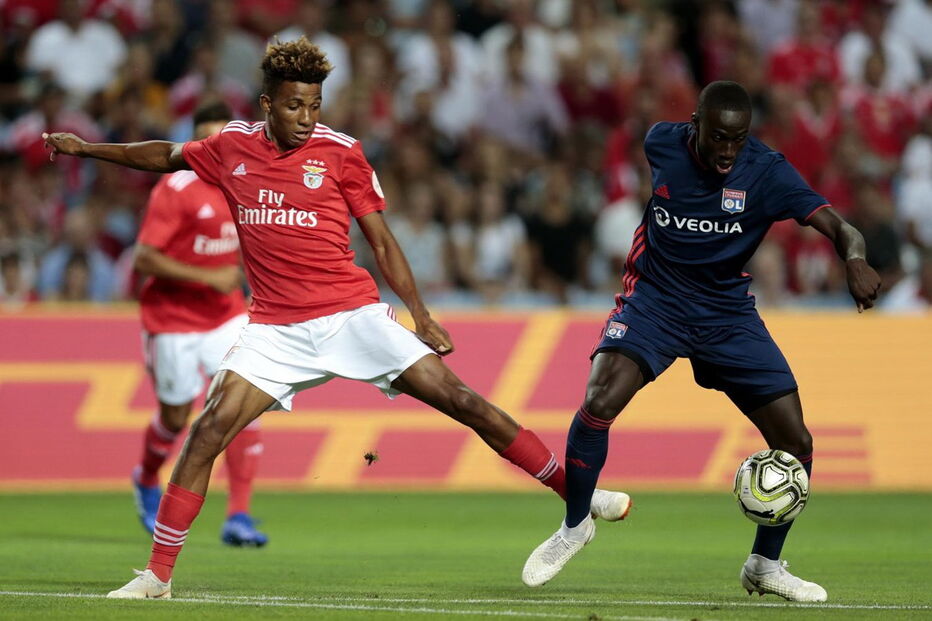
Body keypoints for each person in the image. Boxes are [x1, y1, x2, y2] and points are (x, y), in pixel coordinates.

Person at [42, 37, 631, 600]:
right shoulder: (230, 147)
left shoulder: (342, 151)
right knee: (204, 435)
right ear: (268, 103)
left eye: (315, 104)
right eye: (295, 104)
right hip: (274, 329)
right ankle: (156, 577)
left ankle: (578, 499)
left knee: (466, 403)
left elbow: (381, 240)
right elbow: (162, 156)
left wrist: (419, 315)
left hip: (350, 315)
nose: (306, 116)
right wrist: (85, 147)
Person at [520, 81, 881, 602]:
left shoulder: (768, 172)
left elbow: (840, 226)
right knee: (598, 401)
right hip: (656, 302)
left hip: (727, 315)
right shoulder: (660, 143)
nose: (728, 151)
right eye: (718, 137)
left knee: (797, 444)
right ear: (695, 124)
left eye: (738, 139)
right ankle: (575, 525)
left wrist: (854, 259)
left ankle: (765, 564)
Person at [131, 100, 267, 547]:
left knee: (243, 403)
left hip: (225, 315)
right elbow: (145, 258)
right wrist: (209, 275)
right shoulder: (175, 188)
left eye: (223, 137)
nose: (218, 147)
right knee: (175, 416)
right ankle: (147, 476)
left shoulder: (246, 184)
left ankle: (240, 515)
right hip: (172, 320)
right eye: (207, 138)